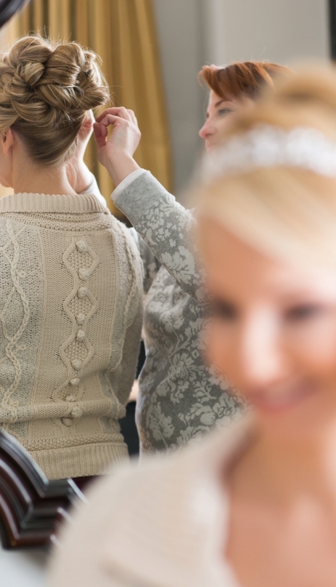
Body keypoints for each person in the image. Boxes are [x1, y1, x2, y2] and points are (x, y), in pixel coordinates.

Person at [29, 67, 336, 587]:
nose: (253, 358)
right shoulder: (116, 527)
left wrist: (124, 168)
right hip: (164, 460)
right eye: (229, 309)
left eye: (300, 311)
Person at [0, 36, 142, 481]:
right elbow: (118, 384)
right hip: (107, 488)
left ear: (6, 137)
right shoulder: (125, 244)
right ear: (80, 130)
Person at [68, 61, 287, 452]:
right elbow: (120, 253)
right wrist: (77, 167)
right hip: (165, 471)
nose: (205, 130)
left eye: (224, 111)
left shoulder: (287, 224)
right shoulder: (205, 221)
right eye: (207, 114)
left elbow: (209, 273)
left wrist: (122, 164)